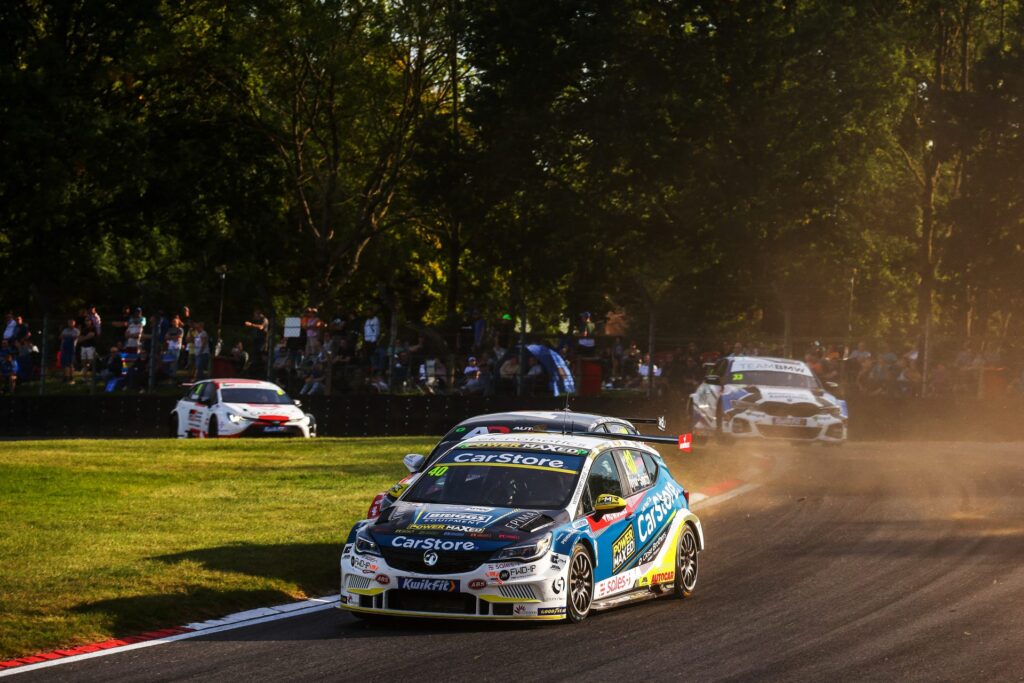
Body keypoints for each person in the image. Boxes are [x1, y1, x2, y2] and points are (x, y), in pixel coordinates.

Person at [59, 318, 80, 383]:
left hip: (71, 349)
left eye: (71, 322)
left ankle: (71, 377)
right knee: (64, 364)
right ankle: (65, 377)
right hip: (64, 348)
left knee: (70, 364)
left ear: (74, 323)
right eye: (69, 322)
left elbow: (74, 337)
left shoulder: (76, 330)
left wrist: (66, 336)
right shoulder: (65, 330)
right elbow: (60, 337)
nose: (70, 324)